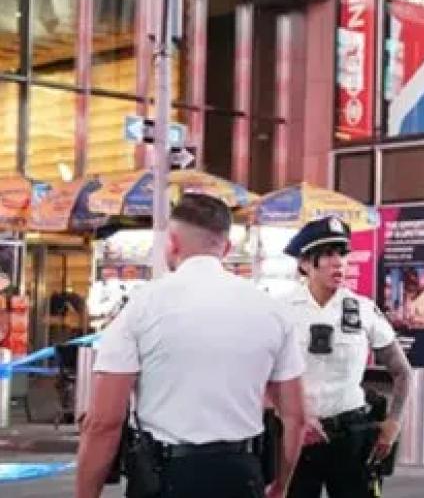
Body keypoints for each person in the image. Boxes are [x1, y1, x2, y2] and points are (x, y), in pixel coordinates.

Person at [75, 194, 308, 498]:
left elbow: (104, 423)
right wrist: (280, 486)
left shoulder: (141, 308)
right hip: (242, 474)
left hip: (166, 478)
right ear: (226, 247)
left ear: (172, 243)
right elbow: (296, 417)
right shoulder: (273, 311)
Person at [280, 216, 415, 498]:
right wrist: (289, 415)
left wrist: (394, 423)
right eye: (327, 254)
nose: (338, 262)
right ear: (305, 263)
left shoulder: (363, 309)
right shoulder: (281, 311)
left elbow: (402, 371)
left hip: (351, 435)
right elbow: (260, 375)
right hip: (297, 437)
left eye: (342, 254)